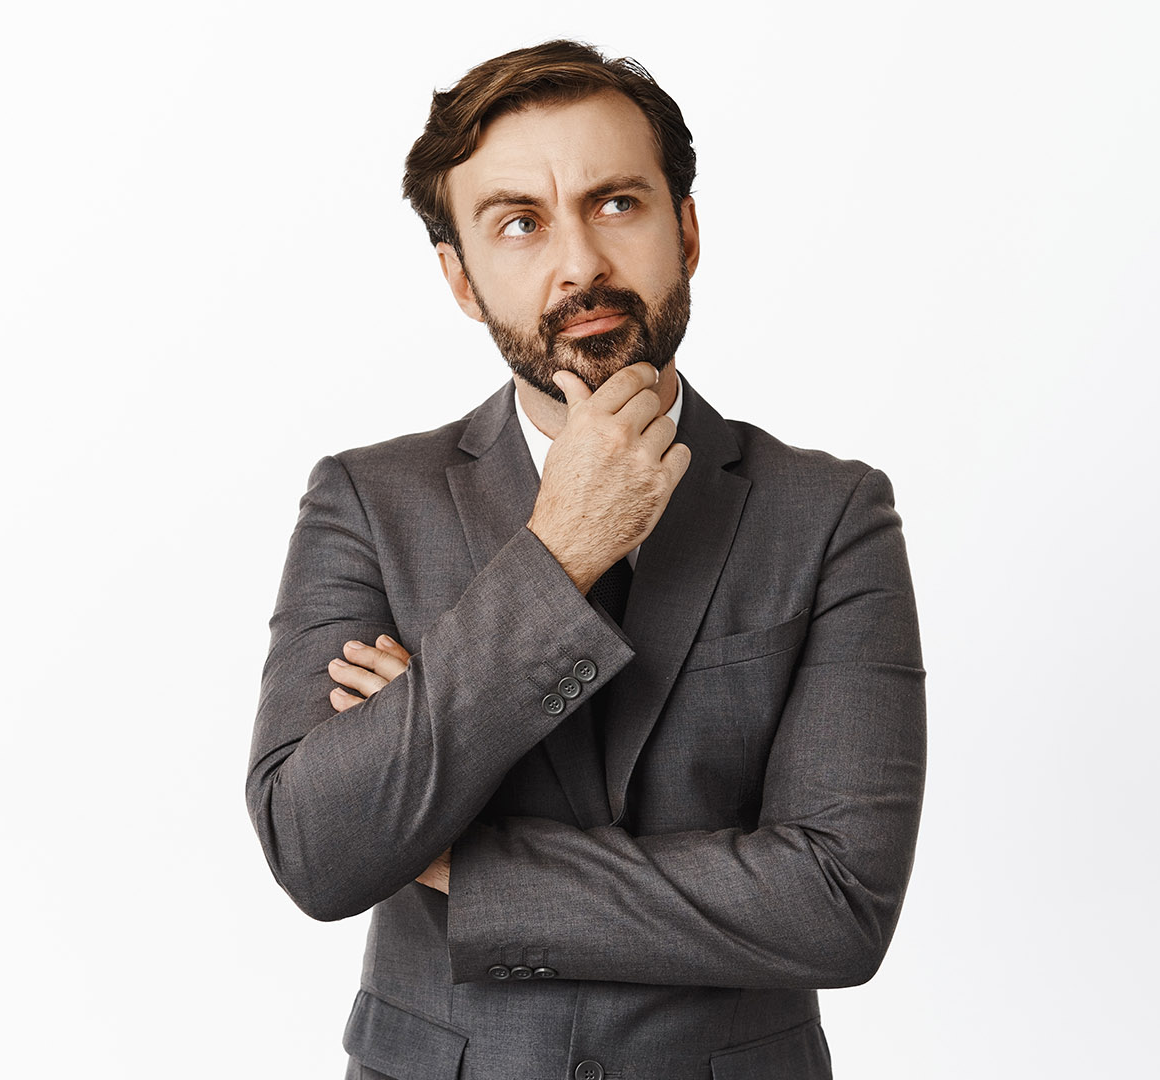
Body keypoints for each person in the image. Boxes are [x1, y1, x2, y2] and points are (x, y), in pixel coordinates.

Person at [246, 39, 926, 1080]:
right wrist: (559, 553)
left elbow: (836, 907)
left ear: (687, 229)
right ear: (462, 279)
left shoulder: (830, 514)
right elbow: (319, 850)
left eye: (616, 203)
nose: (580, 263)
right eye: (519, 222)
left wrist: (459, 861)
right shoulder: (367, 502)